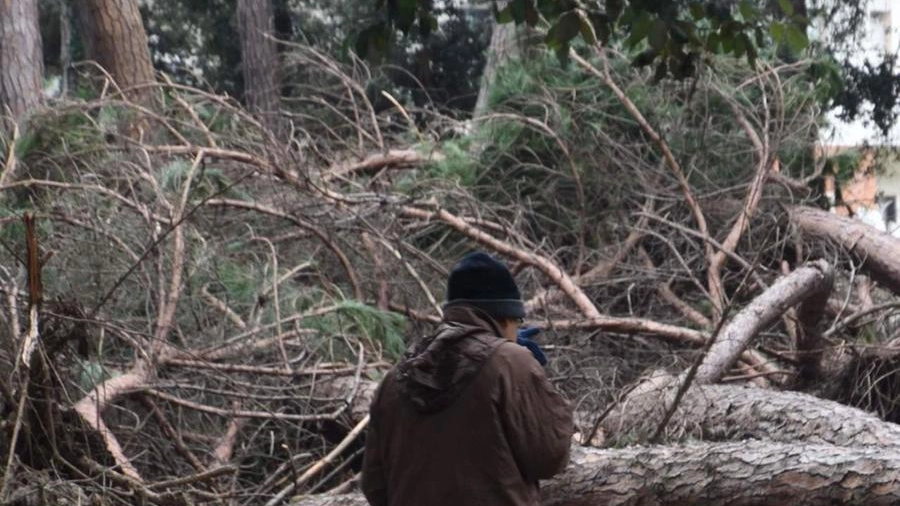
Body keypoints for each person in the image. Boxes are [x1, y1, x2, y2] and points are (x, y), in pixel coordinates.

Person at [361, 251, 574, 506]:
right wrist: (532, 381)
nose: (517, 331)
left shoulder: (394, 379)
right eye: (517, 321)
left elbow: (374, 486)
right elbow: (550, 456)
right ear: (504, 316)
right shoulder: (511, 364)